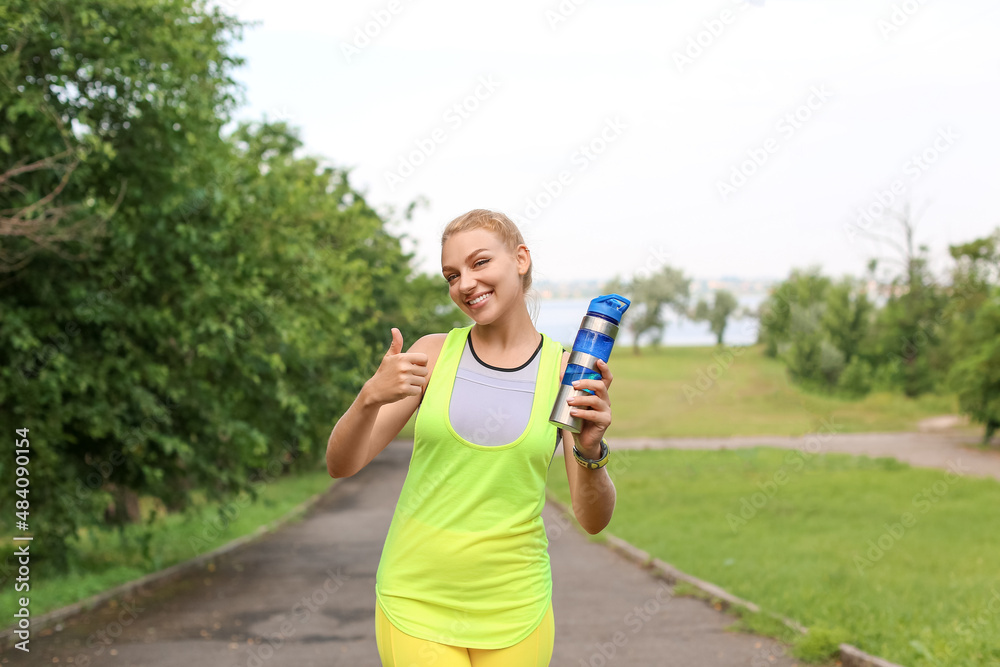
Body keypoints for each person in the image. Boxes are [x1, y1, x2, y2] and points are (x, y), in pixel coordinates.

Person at [326, 208, 617, 666]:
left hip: (515, 610)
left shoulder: (567, 373)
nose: (465, 284)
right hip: (415, 601)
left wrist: (591, 448)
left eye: (480, 263)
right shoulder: (432, 354)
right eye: (451, 274)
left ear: (520, 259)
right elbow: (340, 464)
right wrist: (368, 398)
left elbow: (591, 518)